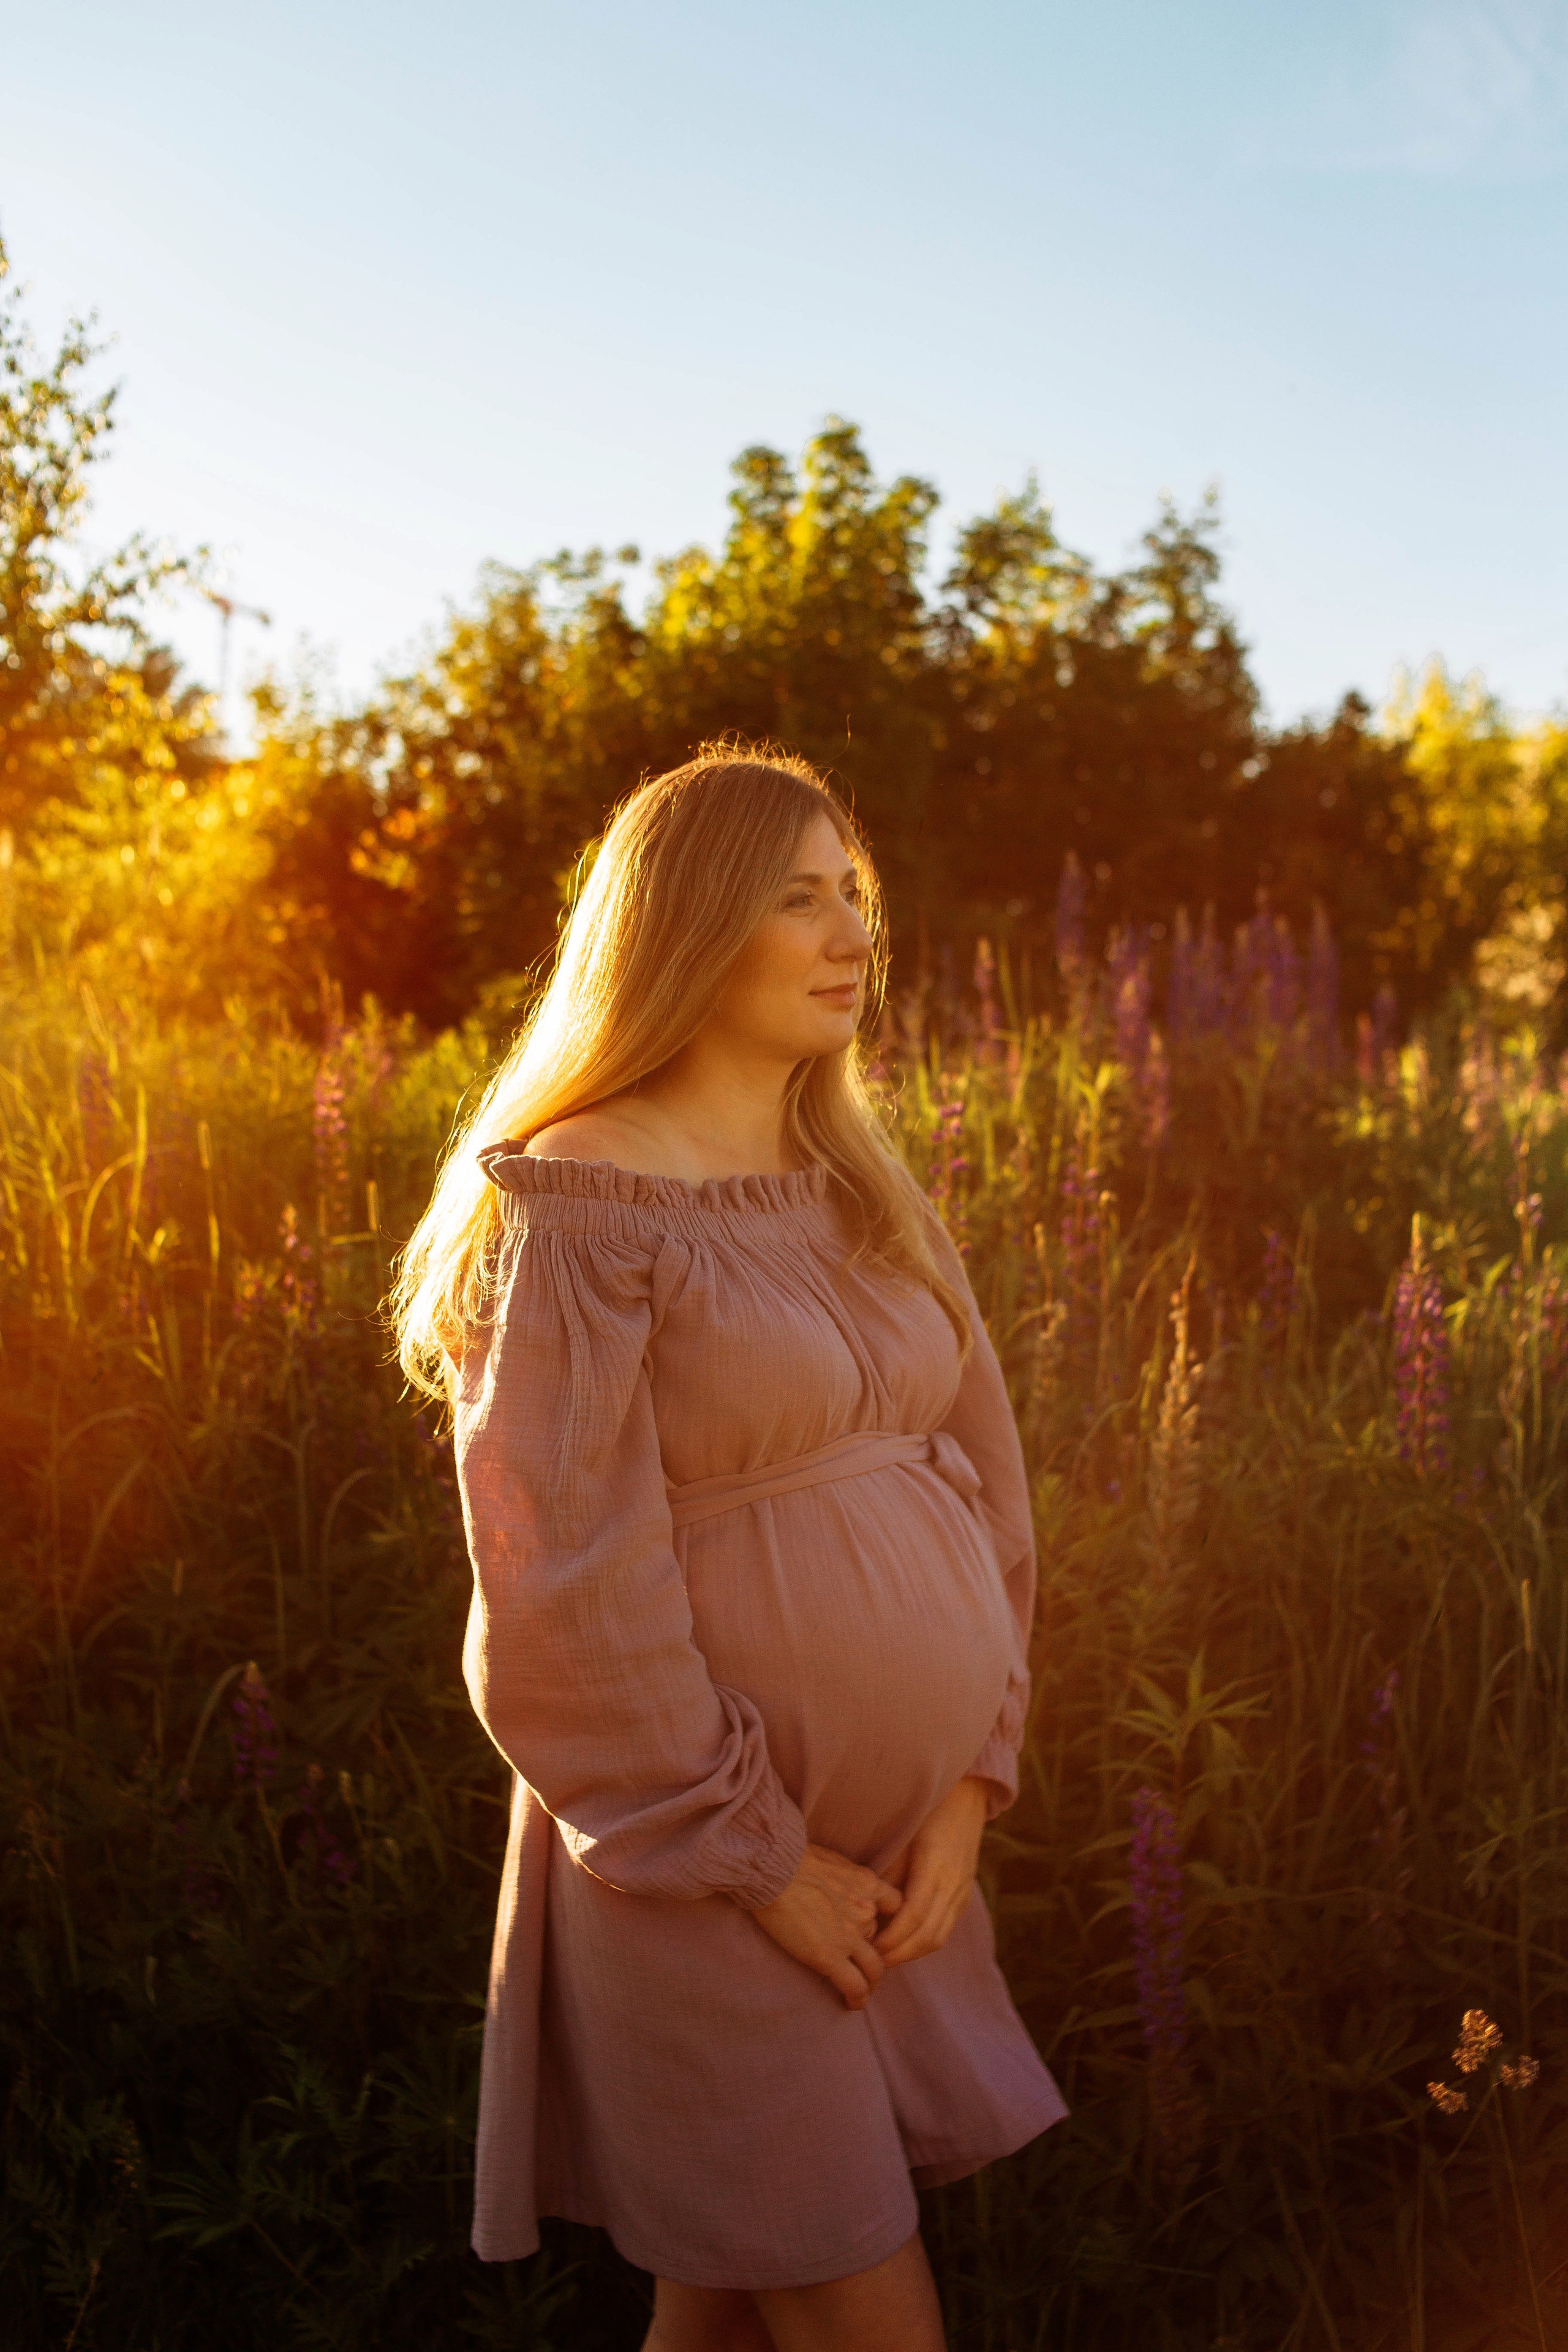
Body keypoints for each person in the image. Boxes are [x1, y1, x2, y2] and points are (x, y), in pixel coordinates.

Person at [391, 747, 1066, 2352]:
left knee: (724, 2310)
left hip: (893, 1863)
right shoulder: (577, 1209)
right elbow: (556, 1593)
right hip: (705, 1871)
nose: (850, 936)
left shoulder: (855, 1186)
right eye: (797, 898)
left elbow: (987, 1483)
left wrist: (973, 1778)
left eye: (857, 898)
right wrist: (755, 1859)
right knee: (847, 2294)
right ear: (688, 927)